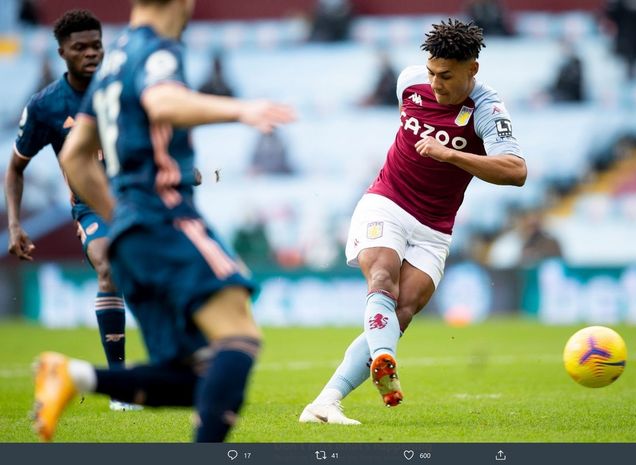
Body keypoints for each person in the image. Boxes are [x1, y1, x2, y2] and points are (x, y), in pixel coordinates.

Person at [33, 0, 295, 443]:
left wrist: (121, 220)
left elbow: (75, 156)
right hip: (164, 218)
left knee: (197, 376)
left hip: (133, 234)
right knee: (239, 337)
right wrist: (239, 110)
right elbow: (163, 99)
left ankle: (75, 376)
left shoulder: (112, 61)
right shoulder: (158, 49)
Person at [299, 18, 526, 425]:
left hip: (435, 228)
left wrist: (451, 155)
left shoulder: (488, 109)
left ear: (473, 69)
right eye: (432, 73)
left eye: (447, 76)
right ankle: (385, 359)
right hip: (386, 201)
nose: (436, 84)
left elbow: (515, 171)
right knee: (382, 277)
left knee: (401, 310)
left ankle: (325, 403)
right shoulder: (409, 83)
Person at [5, 9, 139, 412]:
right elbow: (15, 168)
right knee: (107, 265)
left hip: (137, 197)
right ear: (61, 51)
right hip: (91, 206)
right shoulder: (46, 106)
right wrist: (14, 223)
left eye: (96, 45)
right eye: (79, 47)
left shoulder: (122, 88)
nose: (90, 53)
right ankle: (118, 385)